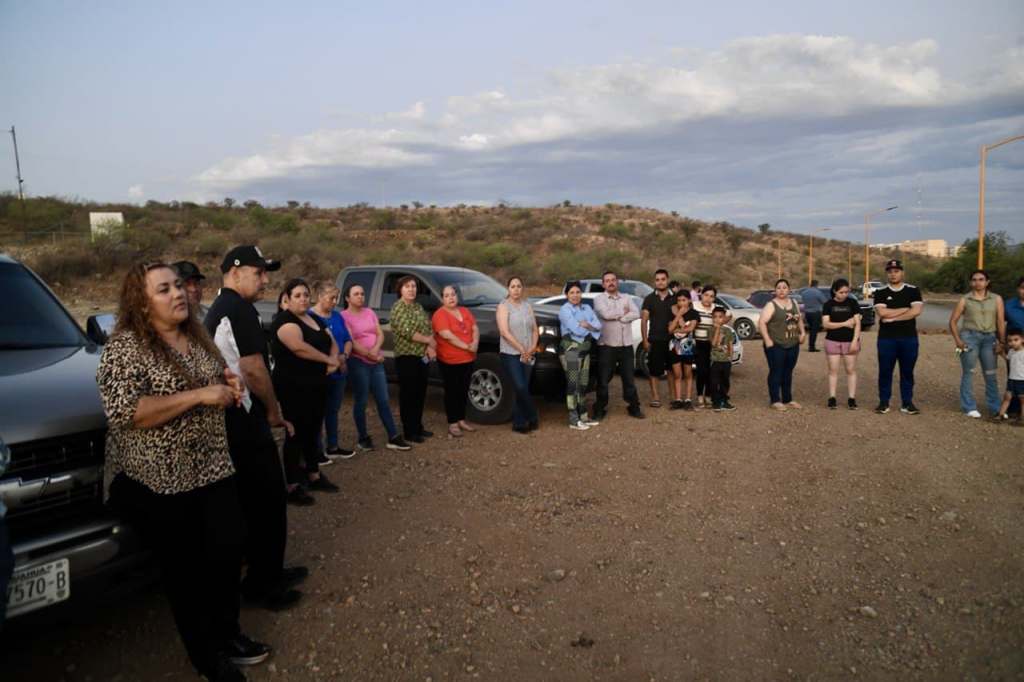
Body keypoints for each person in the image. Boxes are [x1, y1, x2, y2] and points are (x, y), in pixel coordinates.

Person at [99, 261, 269, 681]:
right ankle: (207, 658)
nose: (178, 294)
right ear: (140, 302)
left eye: (178, 285)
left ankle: (228, 635)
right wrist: (199, 395)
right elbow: (127, 412)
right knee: (187, 572)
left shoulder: (198, 337)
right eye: (163, 289)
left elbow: (219, 381)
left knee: (228, 553)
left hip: (212, 468)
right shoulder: (125, 347)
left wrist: (229, 384)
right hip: (159, 481)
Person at [205, 245, 305, 613]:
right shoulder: (237, 308)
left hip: (236, 417)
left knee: (256, 502)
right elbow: (253, 368)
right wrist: (274, 411)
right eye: (258, 272)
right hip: (243, 419)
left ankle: (269, 571)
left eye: (266, 273)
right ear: (234, 272)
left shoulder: (226, 307)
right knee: (266, 502)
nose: (265, 279)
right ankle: (264, 584)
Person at [272, 279, 341, 497]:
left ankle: (313, 474)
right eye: (298, 295)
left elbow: (331, 341)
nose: (303, 299)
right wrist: (327, 361)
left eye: (306, 294)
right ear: (287, 299)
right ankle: (292, 483)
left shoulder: (313, 318)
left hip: (317, 384)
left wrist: (334, 359)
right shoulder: (285, 321)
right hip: (293, 386)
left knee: (313, 430)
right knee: (295, 432)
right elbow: (299, 348)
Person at [341, 284, 412, 451]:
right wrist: (370, 354)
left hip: (376, 362)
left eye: (362, 293)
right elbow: (351, 341)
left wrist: (375, 350)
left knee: (383, 400)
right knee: (362, 400)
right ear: (347, 298)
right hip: (358, 362)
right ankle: (363, 438)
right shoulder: (343, 317)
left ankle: (393, 436)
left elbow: (379, 334)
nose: (360, 296)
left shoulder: (370, 312)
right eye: (356, 294)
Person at [948, 269, 1006, 418]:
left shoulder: (996, 299)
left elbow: (1000, 321)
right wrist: (958, 341)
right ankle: (968, 406)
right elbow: (953, 322)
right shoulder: (965, 299)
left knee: (991, 374)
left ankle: (995, 407)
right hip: (969, 338)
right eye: (974, 280)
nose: (977, 282)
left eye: (981, 279)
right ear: (970, 282)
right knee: (969, 372)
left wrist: (1002, 341)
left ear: (987, 282)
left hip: (990, 339)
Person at [309, 282, 354, 459]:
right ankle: (317, 451)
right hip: (322, 371)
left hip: (339, 370)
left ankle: (333, 446)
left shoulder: (337, 316)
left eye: (336, 298)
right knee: (318, 411)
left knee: (333, 410)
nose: (335, 302)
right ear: (320, 297)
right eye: (331, 298)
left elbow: (348, 339)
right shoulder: (310, 317)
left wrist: (344, 356)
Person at [874, 259, 925, 415]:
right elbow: (882, 313)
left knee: (907, 371)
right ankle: (884, 402)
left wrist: (893, 317)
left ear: (902, 272)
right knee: (885, 371)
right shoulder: (881, 292)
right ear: (887, 274)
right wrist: (905, 309)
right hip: (886, 339)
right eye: (890, 271)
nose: (893, 274)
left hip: (908, 338)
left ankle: (907, 402)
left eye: (896, 271)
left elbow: (916, 311)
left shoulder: (913, 290)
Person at [390, 276, 436, 443]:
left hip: (422, 357)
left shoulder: (418, 307)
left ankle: (418, 426)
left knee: (420, 393)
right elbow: (407, 331)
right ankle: (409, 431)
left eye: (414, 286)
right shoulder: (398, 308)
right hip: (406, 357)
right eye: (407, 286)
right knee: (408, 394)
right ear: (400, 289)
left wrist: (431, 346)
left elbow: (428, 327)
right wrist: (428, 341)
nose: (411, 289)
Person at [592, 271, 643, 420]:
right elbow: (605, 315)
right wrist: (623, 313)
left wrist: (622, 316)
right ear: (603, 284)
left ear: (617, 282)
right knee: (603, 380)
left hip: (626, 345)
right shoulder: (598, 299)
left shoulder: (627, 297)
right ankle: (600, 408)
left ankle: (634, 407)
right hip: (607, 345)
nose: (610, 283)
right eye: (607, 281)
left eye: (613, 280)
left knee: (629, 379)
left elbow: (636, 313)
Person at [432, 285, 480, 438]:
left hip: (468, 358)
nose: (451, 298)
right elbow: (447, 335)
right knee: (452, 391)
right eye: (447, 295)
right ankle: (452, 423)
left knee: (463, 390)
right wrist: (467, 346)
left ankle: (461, 419)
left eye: (453, 294)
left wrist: (475, 344)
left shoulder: (465, 311)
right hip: (450, 360)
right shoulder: (439, 314)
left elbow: (475, 328)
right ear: (442, 298)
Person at [496, 276, 540, 433]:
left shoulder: (527, 306)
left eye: (519, 286)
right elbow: (504, 332)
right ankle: (533, 415)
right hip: (511, 353)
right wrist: (521, 348)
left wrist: (533, 347)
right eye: (513, 286)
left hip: (529, 353)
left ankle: (519, 423)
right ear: (508, 289)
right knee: (520, 386)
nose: (516, 289)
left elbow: (535, 329)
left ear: (522, 288)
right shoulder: (503, 306)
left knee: (522, 388)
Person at [557, 281, 603, 429]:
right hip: (571, 351)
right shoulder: (564, 310)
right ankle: (573, 420)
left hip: (585, 352)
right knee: (573, 384)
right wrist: (589, 328)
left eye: (578, 292)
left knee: (583, 384)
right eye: (572, 292)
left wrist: (587, 325)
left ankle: (583, 416)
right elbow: (576, 330)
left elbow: (599, 327)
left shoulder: (587, 308)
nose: (575, 295)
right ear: (566, 295)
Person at [757, 278, 805, 410]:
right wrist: (767, 340)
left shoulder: (794, 302)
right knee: (776, 371)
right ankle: (775, 400)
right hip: (776, 344)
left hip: (793, 343)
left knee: (788, 371)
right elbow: (761, 322)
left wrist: (803, 333)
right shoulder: (771, 305)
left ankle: (788, 399)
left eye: (784, 287)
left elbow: (799, 319)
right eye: (778, 287)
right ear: (775, 290)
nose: (781, 290)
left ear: (789, 289)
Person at [822, 278, 862, 410]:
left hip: (849, 341)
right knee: (833, 371)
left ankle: (851, 398)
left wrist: (855, 341)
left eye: (846, 292)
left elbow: (857, 323)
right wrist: (845, 323)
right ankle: (832, 398)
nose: (844, 294)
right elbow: (826, 324)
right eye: (841, 292)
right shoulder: (828, 304)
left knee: (850, 370)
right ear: (834, 291)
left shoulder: (852, 302)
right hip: (832, 341)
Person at [641, 269, 676, 408]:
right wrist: (644, 340)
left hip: (673, 340)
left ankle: (674, 397)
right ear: (654, 282)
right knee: (654, 371)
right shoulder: (649, 299)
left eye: (663, 279)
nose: (660, 282)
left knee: (672, 370)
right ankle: (655, 397)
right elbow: (644, 320)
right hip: (655, 339)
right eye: (657, 279)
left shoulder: (675, 298)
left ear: (667, 280)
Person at [692, 286, 723, 408]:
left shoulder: (716, 308)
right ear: (701, 295)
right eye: (706, 295)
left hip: (712, 344)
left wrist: (721, 322)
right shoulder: (694, 306)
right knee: (702, 371)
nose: (708, 298)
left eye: (711, 296)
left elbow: (726, 316)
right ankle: (700, 395)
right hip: (699, 343)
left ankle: (709, 396)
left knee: (712, 371)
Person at [668, 290, 699, 409]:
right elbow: (670, 329)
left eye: (684, 300)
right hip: (674, 346)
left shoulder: (693, 313)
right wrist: (678, 315)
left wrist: (677, 329)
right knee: (677, 374)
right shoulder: (672, 313)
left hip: (688, 347)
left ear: (689, 300)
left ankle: (688, 399)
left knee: (688, 373)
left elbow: (690, 328)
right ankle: (678, 399)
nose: (681, 303)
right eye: (679, 300)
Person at [992, 329, 1024, 424]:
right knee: (1007, 397)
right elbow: (1008, 359)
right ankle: (1000, 415)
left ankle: (1022, 418)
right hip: (1012, 379)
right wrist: (1001, 353)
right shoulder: (1011, 352)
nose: (1012, 343)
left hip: (1021, 380)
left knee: (1022, 399)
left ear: (1022, 339)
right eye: (1010, 341)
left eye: (1016, 340)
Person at [708, 306, 737, 411]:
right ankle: (716, 402)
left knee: (725, 382)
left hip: (726, 361)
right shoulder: (711, 330)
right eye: (715, 317)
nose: (717, 319)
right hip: (715, 361)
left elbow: (730, 345)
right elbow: (714, 343)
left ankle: (724, 401)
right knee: (714, 382)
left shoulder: (728, 331)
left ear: (724, 318)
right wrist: (718, 329)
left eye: (720, 317)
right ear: (712, 317)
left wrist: (730, 357)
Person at [1005, 277, 1024, 417]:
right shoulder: (1009, 305)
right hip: (1014, 348)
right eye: (1022, 287)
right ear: (1018, 289)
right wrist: (1000, 342)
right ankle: (1013, 408)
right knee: (1014, 377)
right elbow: (1000, 323)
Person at [802, 279, 829, 352]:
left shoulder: (804, 292)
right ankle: (811, 347)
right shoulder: (818, 292)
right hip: (816, 313)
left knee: (811, 329)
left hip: (807, 313)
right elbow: (824, 302)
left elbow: (803, 301)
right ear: (817, 285)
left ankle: (811, 345)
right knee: (814, 330)